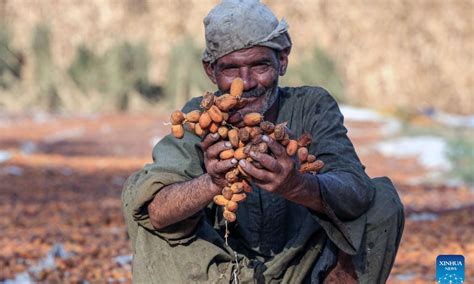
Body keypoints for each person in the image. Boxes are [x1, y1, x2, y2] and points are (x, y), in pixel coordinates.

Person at [121, 0, 404, 283]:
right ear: (211, 71)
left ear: (282, 59)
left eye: (259, 65)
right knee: (141, 201)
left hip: (303, 269)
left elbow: (356, 190)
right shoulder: (201, 119)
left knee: (380, 200)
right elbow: (156, 211)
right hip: (224, 272)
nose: (245, 83)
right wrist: (211, 183)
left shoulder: (312, 106)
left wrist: (299, 186)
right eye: (231, 69)